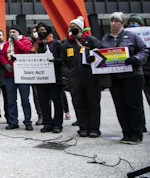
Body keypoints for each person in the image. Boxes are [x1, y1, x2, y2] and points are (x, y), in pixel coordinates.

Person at [100, 12, 148, 144]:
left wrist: (136, 59)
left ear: (123, 23)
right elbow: (100, 54)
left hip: (132, 75)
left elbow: (144, 50)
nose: (113, 23)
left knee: (133, 104)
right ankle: (126, 132)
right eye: (112, 21)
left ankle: (136, 133)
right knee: (120, 105)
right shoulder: (105, 38)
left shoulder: (132, 36)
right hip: (115, 76)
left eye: (117, 21)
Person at [60, 16, 104, 138]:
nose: (72, 29)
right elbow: (63, 62)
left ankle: (94, 128)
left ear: (81, 28)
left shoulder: (91, 40)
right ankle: (83, 127)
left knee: (93, 103)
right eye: (71, 27)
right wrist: (68, 73)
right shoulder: (66, 43)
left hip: (91, 78)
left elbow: (102, 54)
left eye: (75, 27)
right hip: (75, 79)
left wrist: (93, 58)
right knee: (79, 103)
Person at [31, 23, 64, 133]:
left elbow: (63, 60)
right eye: (39, 30)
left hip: (55, 78)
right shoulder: (36, 46)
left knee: (57, 101)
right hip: (41, 79)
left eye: (43, 30)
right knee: (43, 102)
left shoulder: (57, 44)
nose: (41, 32)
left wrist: (55, 61)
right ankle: (47, 123)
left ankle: (58, 124)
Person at [0, 25, 33, 130]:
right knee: (11, 100)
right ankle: (13, 121)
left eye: (14, 32)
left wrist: (16, 42)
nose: (12, 34)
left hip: (22, 76)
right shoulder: (6, 44)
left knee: (25, 99)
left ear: (19, 33)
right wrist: (5, 64)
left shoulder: (26, 41)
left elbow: (26, 51)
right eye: (10, 32)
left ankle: (28, 121)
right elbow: (1, 55)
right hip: (9, 76)